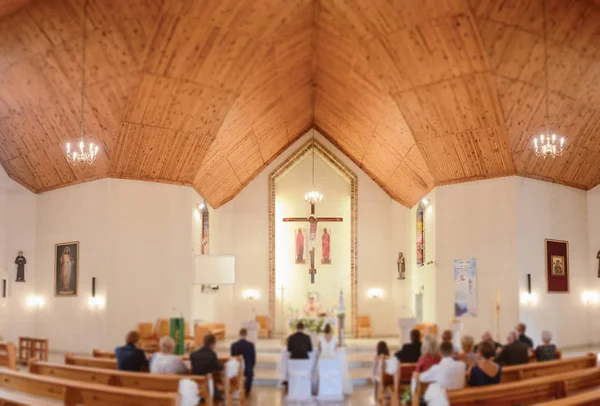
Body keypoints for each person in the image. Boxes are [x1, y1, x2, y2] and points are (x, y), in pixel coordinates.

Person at [191, 334, 224, 401]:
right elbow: (220, 367)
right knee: (220, 397)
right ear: (212, 344)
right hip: (208, 386)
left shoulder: (193, 354)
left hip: (195, 388)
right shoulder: (212, 354)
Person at [231, 328, 256, 395]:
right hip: (248, 369)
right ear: (246, 335)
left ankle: (237, 388)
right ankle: (247, 390)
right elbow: (253, 359)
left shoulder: (233, 345)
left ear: (239, 334)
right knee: (250, 370)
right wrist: (251, 367)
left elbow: (232, 359)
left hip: (237, 368)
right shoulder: (251, 345)